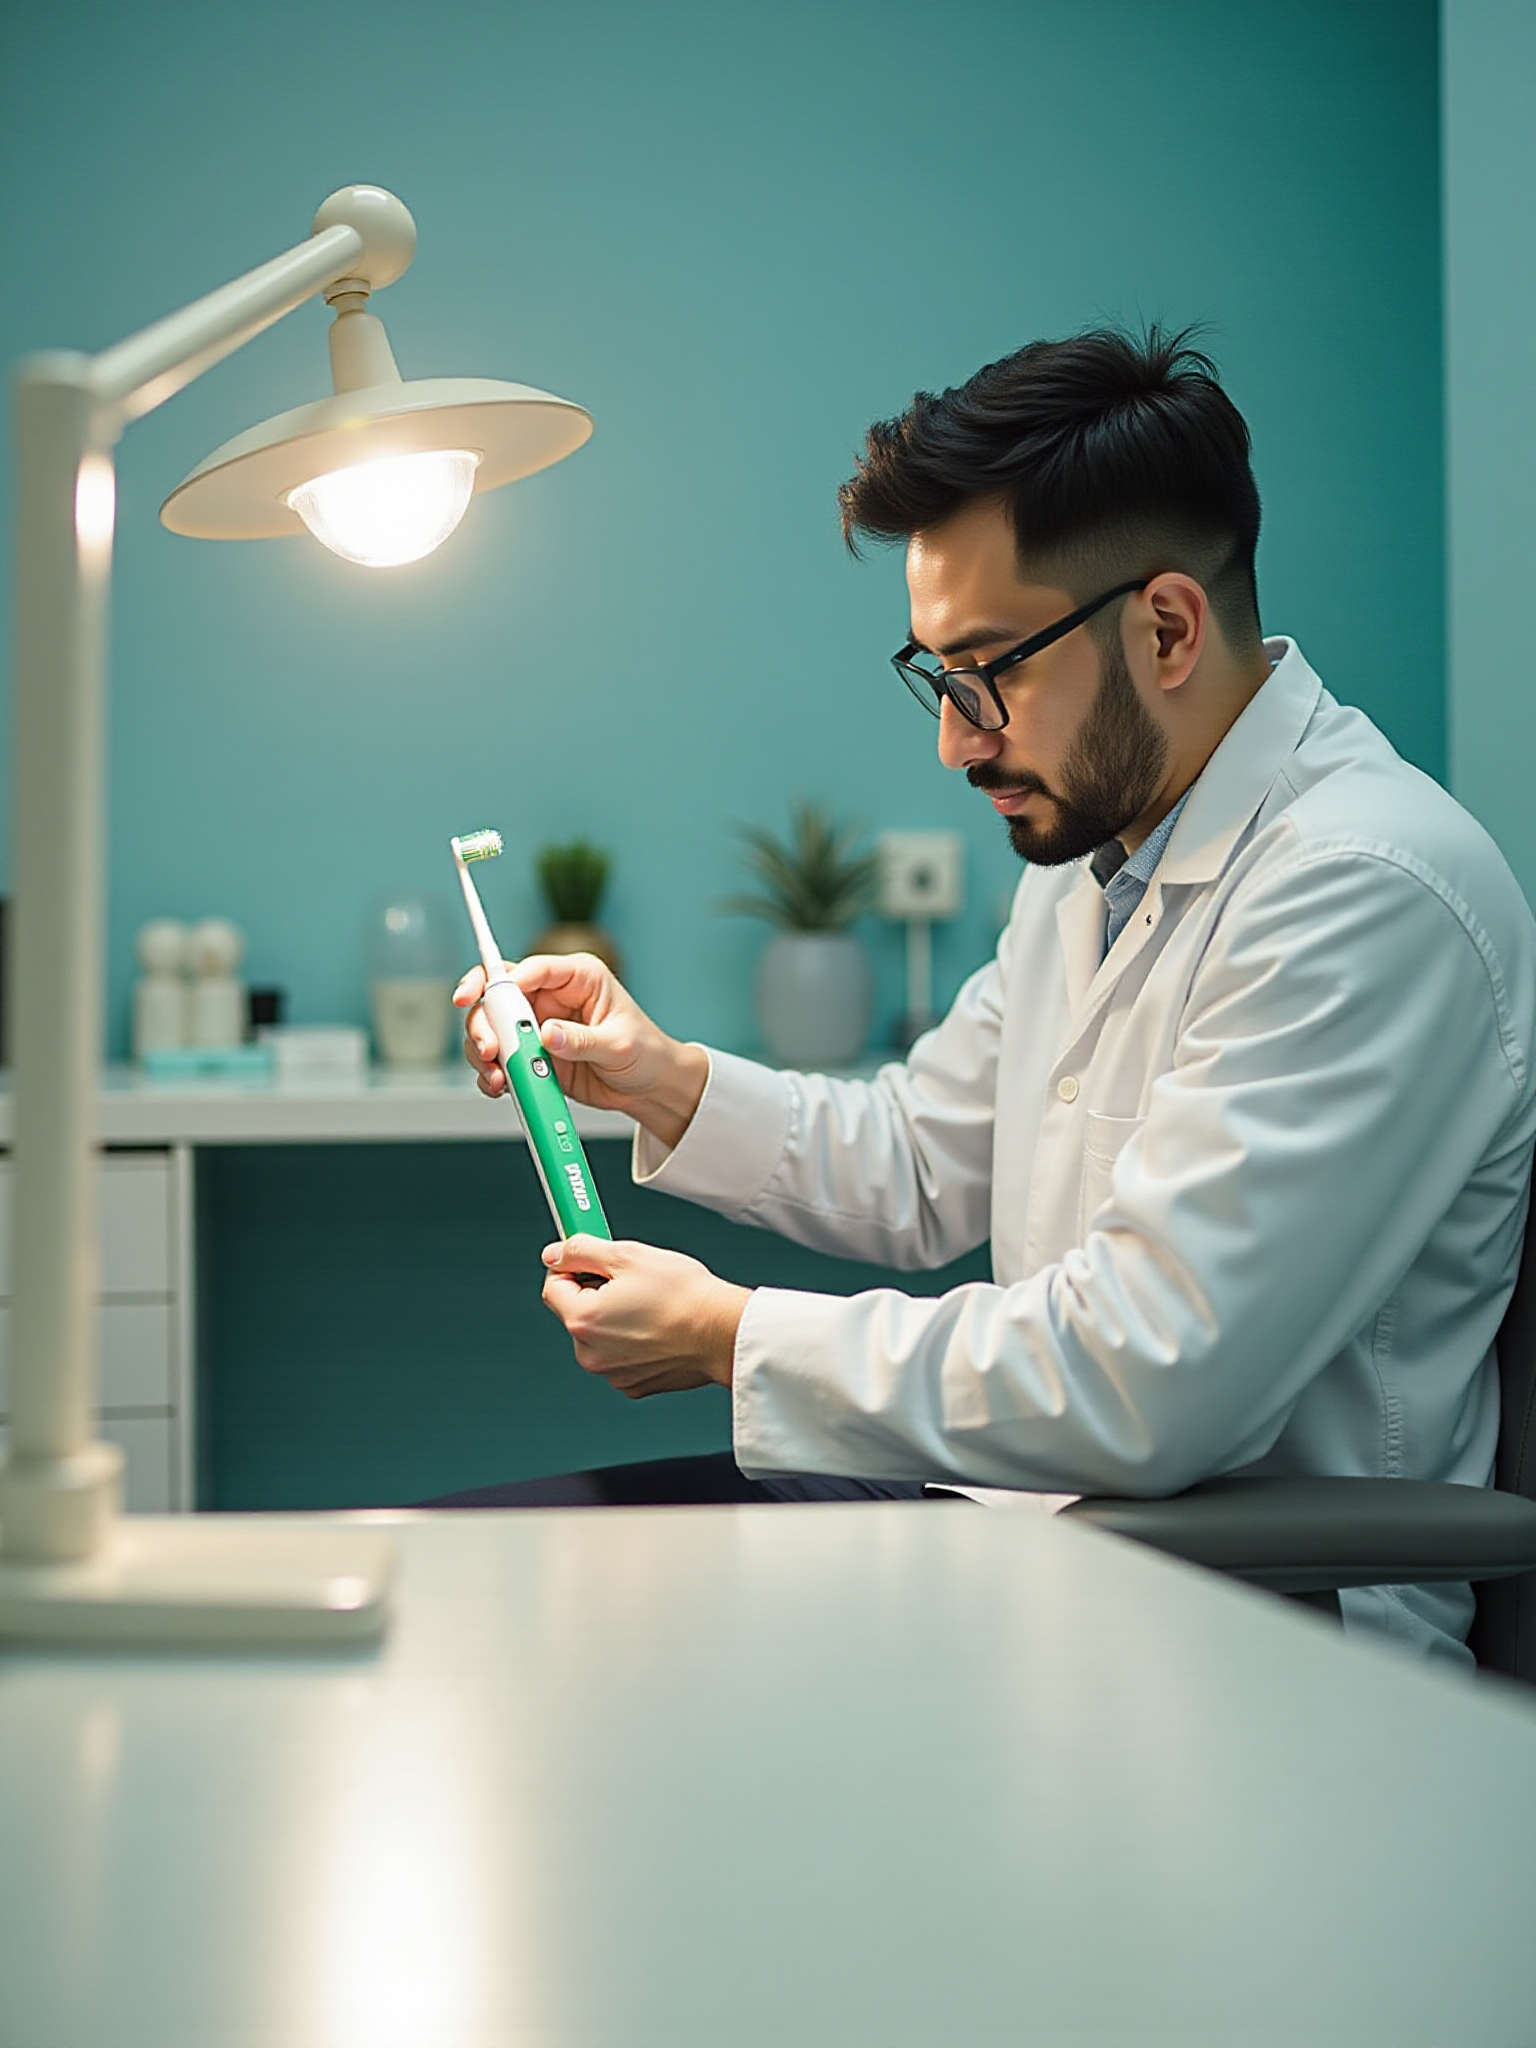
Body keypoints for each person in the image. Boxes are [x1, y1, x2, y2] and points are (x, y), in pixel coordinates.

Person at [451, 327, 1536, 1665]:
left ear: (1168, 626)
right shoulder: (1105, 848)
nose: (959, 739)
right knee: (478, 1572)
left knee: (561, 1655)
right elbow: (925, 1161)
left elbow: (1148, 1378)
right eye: (936, 676)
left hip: (1244, 1627)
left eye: (990, 671)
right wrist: (657, 1074)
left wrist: (737, 1338)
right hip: (1022, 1534)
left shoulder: (1369, 889)